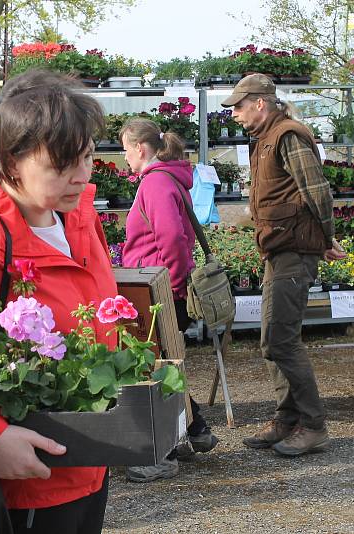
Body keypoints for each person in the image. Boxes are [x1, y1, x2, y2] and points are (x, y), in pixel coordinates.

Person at [0, 69, 116, 534]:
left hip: (90, 460)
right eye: (61, 165)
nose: (80, 176)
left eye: (88, 158)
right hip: (27, 473)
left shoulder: (78, 219)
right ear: (12, 161)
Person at [222, 74, 345, 457]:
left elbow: (317, 191)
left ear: (261, 103)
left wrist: (325, 239)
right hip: (279, 250)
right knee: (270, 341)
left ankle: (313, 426)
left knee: (282, 340)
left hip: (294, 250)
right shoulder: (266, 139)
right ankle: (287, 419)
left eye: (239, 106)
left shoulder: (288, 135)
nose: (235, 115)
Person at [119, 118, 218, 482]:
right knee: (165, 364)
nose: (125, 158)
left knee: (154, 367)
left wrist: (172, 286)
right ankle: (193, 432)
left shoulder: (156, 182)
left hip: (158, 290)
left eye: (127, 150)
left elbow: (173, 238)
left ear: (141, 149)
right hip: (160, 286)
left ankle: (161, 453)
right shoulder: (168, 178)